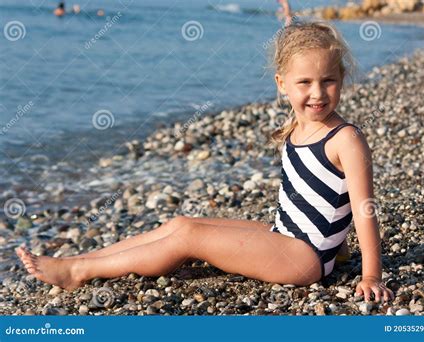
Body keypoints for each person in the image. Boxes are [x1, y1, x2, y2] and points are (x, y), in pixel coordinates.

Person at [16, 21, 394, 303]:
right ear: (282, 84)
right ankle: (82, 257)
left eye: (328, 80)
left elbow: (363, 209)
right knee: (180, 222)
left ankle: (78, 272)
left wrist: (370, 274)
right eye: (304, 83)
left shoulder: (345, 139)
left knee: (188, 238)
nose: (317, 93)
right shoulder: (300, 124)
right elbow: (324, 200)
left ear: (342, 78)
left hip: (303, 259)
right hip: (284, 235)